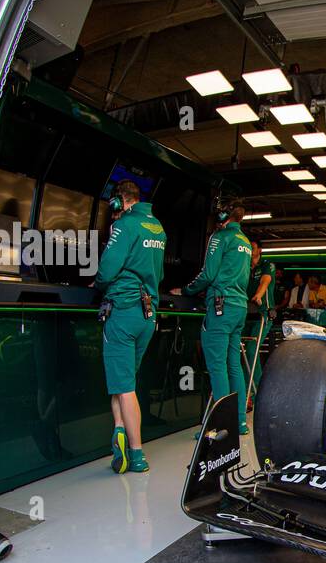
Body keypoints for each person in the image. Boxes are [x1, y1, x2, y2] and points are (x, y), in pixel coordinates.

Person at [95, 180, 165, 474]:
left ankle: (137, 456)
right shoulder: (158, 227)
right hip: (147, 314)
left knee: (124, 387)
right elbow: (158, 273)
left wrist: (98, 283)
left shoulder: (124, 225)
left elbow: (108, 268)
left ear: (119, 201)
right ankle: (120, 433)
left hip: (122, 311)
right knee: (125, 382)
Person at [171, 202, 253, 434]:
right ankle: (240, 422)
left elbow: (208, 274)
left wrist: (185, 290)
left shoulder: (220, 237)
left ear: (224, 215)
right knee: (233, 365)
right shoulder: (245, 242)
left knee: (217, 367)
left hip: (221, 306)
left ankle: (221, 425)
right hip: (239, 307)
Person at [244, 240, 273, 409]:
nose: (249, 250)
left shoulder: (267, 265)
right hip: (245, 314)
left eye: (252, 247)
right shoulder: (244, 265)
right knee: (240, 351)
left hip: (262, 314)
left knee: (251, 350)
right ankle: (245, 393)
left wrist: (258, 295)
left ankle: (259, 393)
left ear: (259, 250)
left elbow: (265, 281)